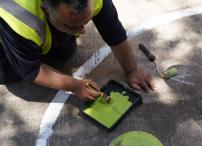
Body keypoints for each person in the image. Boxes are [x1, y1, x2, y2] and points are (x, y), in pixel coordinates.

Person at [0, 0, 154, 101]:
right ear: (45, 10)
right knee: (10, 73)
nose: (82, 32)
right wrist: (74, 85)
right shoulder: (20, 20)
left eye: (85, 22)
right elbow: (30, 70)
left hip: (39, 28)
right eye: (71, 25)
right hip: (5, 36)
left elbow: (114, 33)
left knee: (66, 52)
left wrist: (131, 70)